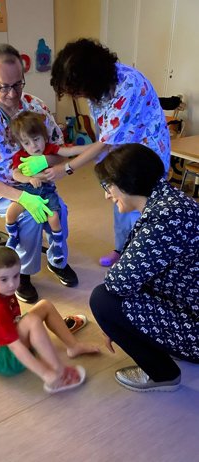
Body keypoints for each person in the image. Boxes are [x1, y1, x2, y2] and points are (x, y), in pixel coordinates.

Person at [19, 38, 170, 267]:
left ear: (90, 78)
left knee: (140, 208)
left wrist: (66, 167)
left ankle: (141, 260)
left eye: (77, 90)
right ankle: (122, 250)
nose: (77, 95)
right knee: (120, 204)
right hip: (121, 152)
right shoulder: (97, 92)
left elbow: (104, 142)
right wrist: (61, 155)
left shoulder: (128, 85)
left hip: (146, 155)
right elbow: (103, 139)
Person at [0, 43, 78, 305]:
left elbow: (60, 151)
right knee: (29, 219)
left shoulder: (36, 107)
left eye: (18, 84)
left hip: (39, 184)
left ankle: (57, 261)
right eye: (4, 86)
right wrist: (22, 198)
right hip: (1, 190)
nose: (12, 94)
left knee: (60, 213)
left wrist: (45, 161)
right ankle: (22, 272)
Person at [89, 143, 199, 392]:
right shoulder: (170, 200)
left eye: (108, 186)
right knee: (125, 294)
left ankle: (163, 375)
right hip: (190, 303)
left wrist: (113, 324)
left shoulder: (165, 220)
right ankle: (173, 346)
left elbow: (117, 283)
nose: (107, 195)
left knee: (103, 300)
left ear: (126, 183)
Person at [0, 246, 100, 393]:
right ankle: (57, 373)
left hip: (8, 337)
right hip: (1, 360)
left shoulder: (0, 289)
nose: (12, 284)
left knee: (44, 305)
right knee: (32, 321)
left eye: (16, 276)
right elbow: (15, 346)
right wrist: (45, 373)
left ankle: (74, 347)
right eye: (4, 279)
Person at [6, 110, 88, 264]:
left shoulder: (50, 149)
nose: (33, 146)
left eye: (36, 139)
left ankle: (57, 246)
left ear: (44, 137)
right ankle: (13, 236)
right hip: (27, 191)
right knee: (11, 213)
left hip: (47, 192)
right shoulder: (21, 155)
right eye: (26, 143)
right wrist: (29, 179)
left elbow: (69, 151)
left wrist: (93, 147)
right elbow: (15, 174)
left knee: (55, 217)